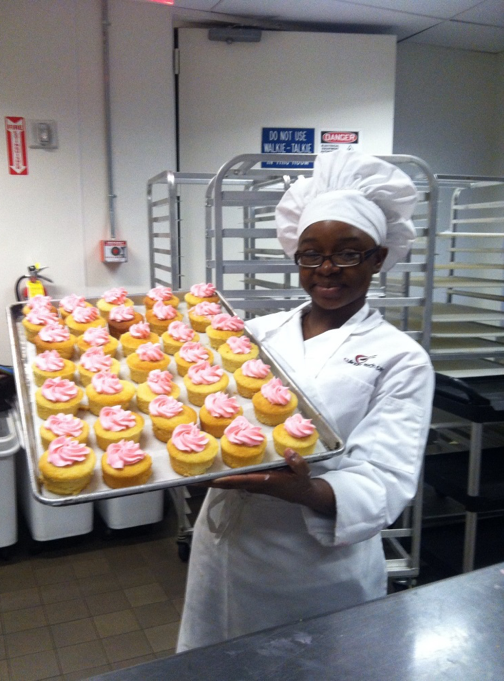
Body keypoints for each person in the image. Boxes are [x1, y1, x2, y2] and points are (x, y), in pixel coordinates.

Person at [176, 150, 435, 652]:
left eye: (349, 252)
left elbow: (385, 480)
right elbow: (207, 412)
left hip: (312, 566)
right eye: (311, 253)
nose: (327, 269)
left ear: (379, 256)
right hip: (225, 547)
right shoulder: (253, 333)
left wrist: (303, 491)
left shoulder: (400, 358)